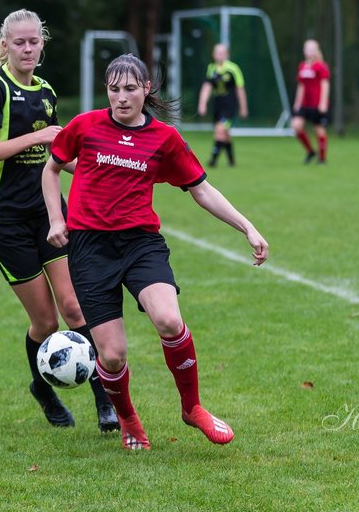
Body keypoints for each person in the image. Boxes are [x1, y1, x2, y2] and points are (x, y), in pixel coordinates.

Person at [43, 54, 269, 451]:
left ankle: (192, 407)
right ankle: (129, 419)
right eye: (114, 89)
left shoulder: (164, 138)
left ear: (146, 89)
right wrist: (56, 220)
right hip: (90, 249)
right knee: (111, 357)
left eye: (130, 89)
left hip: (140, 244)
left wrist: (247, 226)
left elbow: (201, 189)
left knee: (168, 319)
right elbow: (52, 168)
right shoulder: (85, 126)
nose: (121, 98)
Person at [0, 9, 118, 433]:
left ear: (42, 43)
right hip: (5, 221)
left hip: (47, 213)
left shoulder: (47, 90)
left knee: (74, 306)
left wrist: (101, 176)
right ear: (6, 45)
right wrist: (38, 136)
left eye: (34, 41)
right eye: (19, 43)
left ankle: (104, 400)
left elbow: (56, 158)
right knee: (46, 322)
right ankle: (42, 387)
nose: (28, 48)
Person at [196, 43, 247, 167]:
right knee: (224, 133)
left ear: (227, 55)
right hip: (217, 103)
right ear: (213, 54)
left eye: (222, 53)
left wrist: (243, 107)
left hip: (229, 103)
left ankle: (213, 160)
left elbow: (240, 89)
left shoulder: (233, 69)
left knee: (220, 130)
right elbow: (207, 87)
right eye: (217, 53)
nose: (219, 55)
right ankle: (231, 160)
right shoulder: (211, 68)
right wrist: (202, 103)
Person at [291, 39, 331, 164]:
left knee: (318, 129)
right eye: (307, 49)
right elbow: (301, 85)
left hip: (316, 103)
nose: (309, 52)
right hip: (304, 103)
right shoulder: (302, 66)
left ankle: (322, 158)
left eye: (312, 49)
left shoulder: (321, 66)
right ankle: (310, 151)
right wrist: (297, 102)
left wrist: (323, 103)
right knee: (296, 126)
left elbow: (325, 84)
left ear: (316, 51)